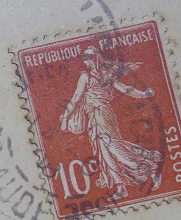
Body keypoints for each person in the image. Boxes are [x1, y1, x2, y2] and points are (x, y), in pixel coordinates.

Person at [60, 46, 162, 201]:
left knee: (113, 147)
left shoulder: (88, 77)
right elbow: (125, 89)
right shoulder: (100, 75)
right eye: (84, 58)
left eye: (87, 58)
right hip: (95, 116)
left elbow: (76, 98)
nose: (85, 61)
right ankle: (121, 187)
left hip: (102, 114)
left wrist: (65, 119)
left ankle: (150, 167)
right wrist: (143, 94)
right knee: (105, 152)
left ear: (94, 59)